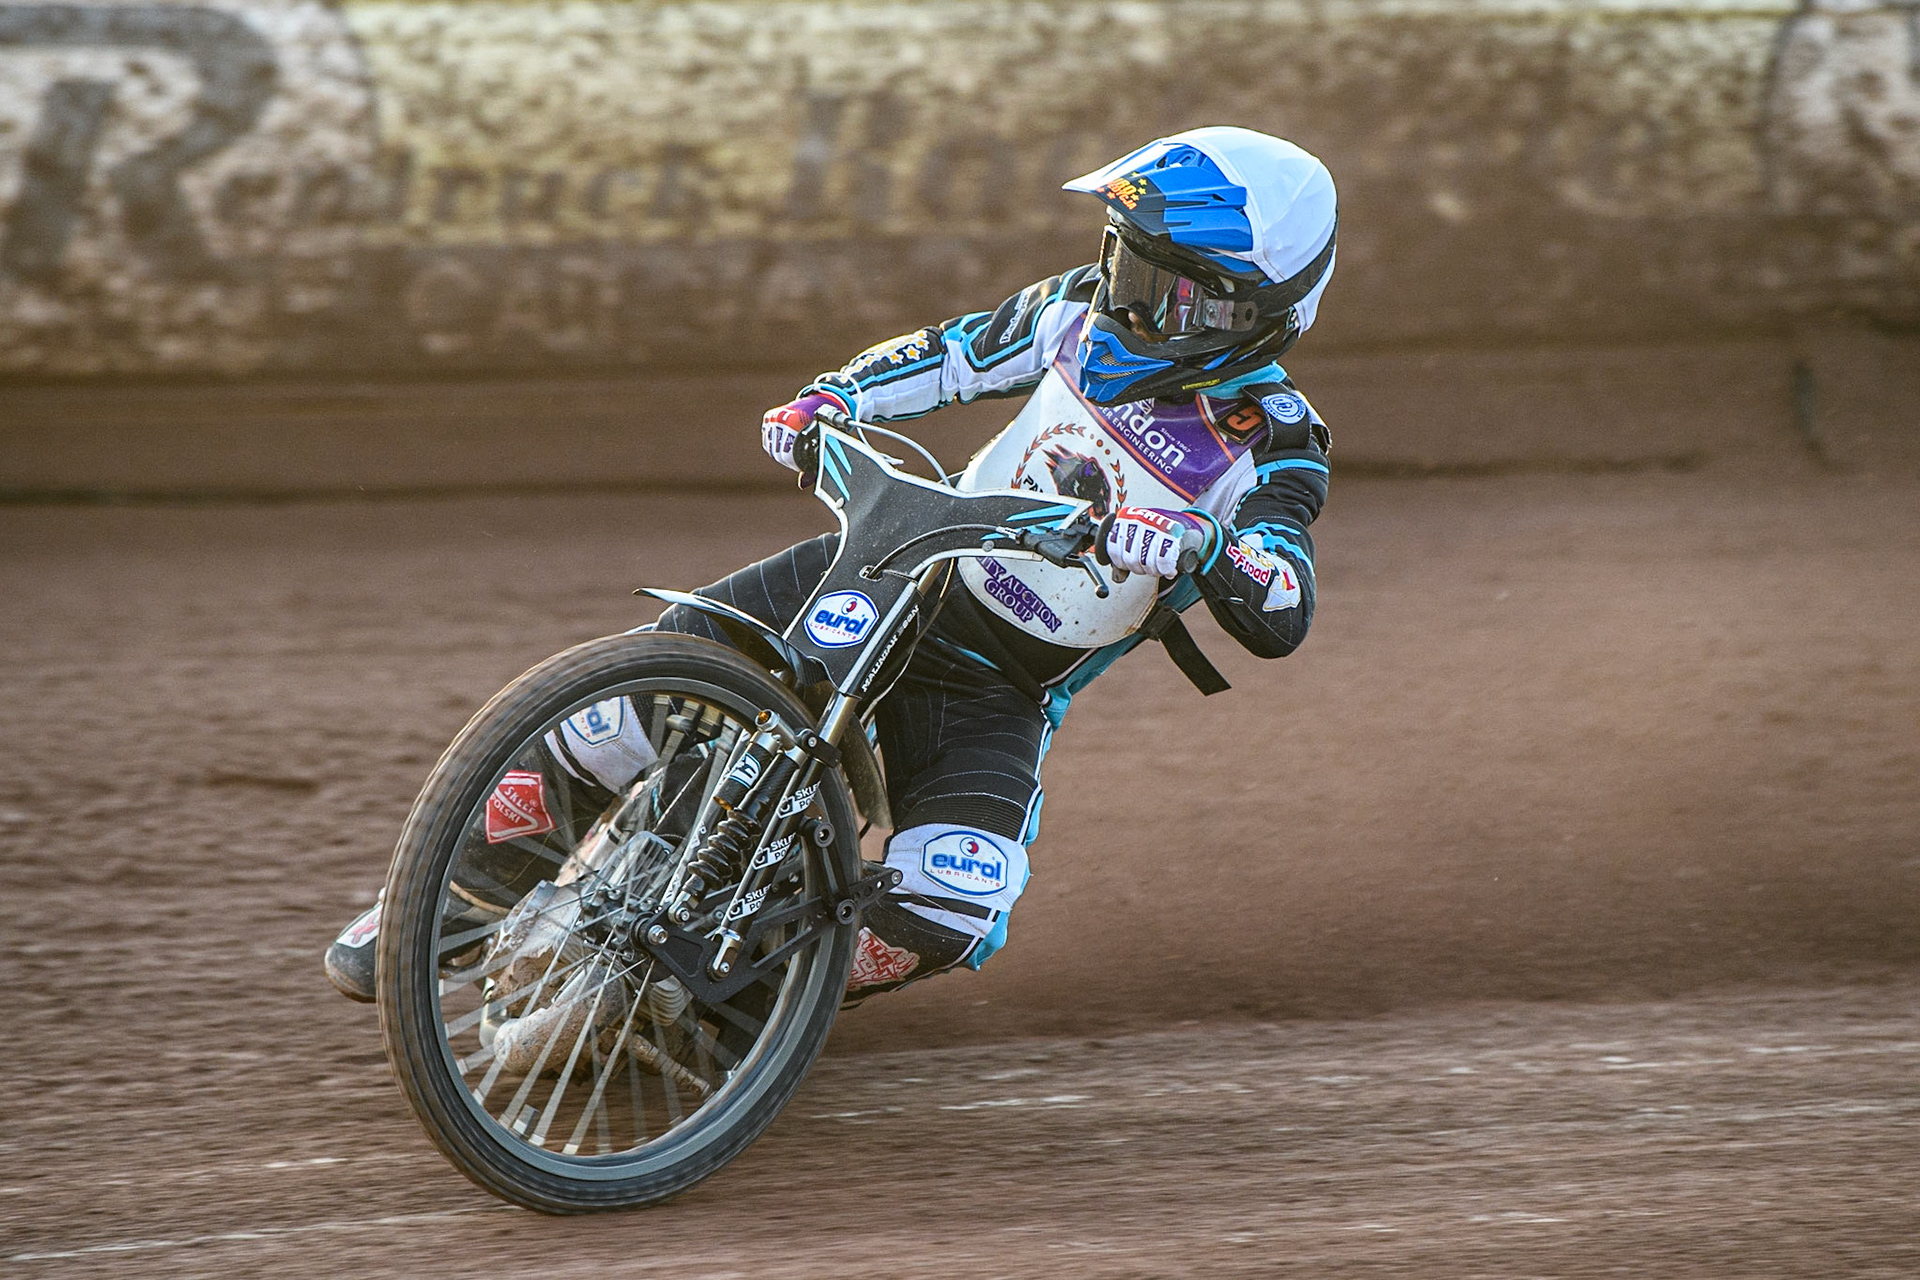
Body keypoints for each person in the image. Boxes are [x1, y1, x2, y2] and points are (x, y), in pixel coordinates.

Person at [326, 125, 1335, 1006]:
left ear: (1252, 310)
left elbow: (1282, 595)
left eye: (1163, 287)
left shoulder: (1274, 436)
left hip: (1002, 685)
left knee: (952, 903)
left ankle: (758, 998)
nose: (1124, 295)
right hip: (898, 564)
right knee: (627, 697)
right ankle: (442, 907)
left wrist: (1205, 542)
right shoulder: (1075, 313)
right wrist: (833, 397)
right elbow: (947, 356)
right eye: (1123, 261)